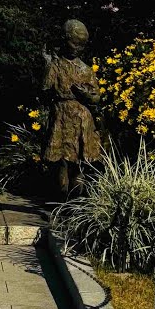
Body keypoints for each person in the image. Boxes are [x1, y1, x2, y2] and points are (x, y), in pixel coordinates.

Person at [43, 19, 103, 197]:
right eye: (74, 43)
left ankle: (74, 206)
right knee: (61, 163)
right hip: (61, 119)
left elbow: (96, 97)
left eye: (81, 45)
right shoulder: (55, 65)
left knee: (78, 165)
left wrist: (86, 95)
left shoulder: (85, 70)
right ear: (64, 40)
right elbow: (44, 91)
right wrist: (47, 67)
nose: (77, 48)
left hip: (82, 120)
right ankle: (60, 203)